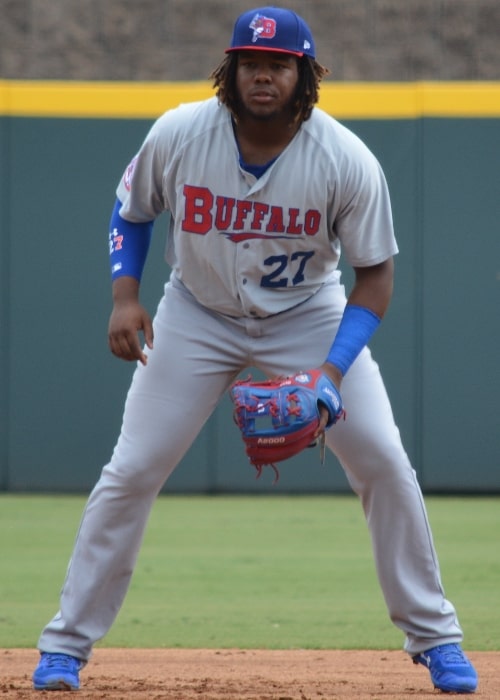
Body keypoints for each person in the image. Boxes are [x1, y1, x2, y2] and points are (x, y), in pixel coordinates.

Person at [32, 6, 478, 694]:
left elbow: (376, 276)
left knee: (384, 462)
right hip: (197, 313)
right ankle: (64, 645)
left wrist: (331, 371)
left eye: (277, 64)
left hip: (309, 314)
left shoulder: (344, 158)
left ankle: (436, 636)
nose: (262, 75)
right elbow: (131, 209)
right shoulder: (181, 132)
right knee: (134, 468)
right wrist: (125, 296)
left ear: (304, 75)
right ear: (230, 70)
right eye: (250, 62)